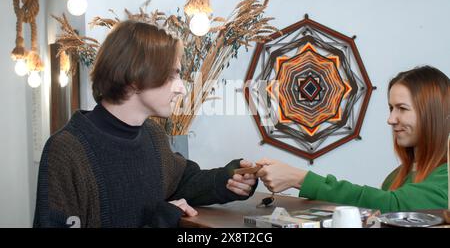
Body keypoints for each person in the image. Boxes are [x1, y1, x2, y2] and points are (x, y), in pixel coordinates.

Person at [33, 20, 257, 228]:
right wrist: (160, 221)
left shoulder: (152, 135)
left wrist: (229, 178)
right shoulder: (66, 152)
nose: (182, 88)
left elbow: (182, 181)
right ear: (134, 77)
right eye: (172, 75)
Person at [256, 66, 449, 213]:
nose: (391, 119)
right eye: (391, 108)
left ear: (434, 114)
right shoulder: (396, 176)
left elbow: (393, 205)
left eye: (403, 108)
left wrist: (298, 178)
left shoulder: (446, 177)